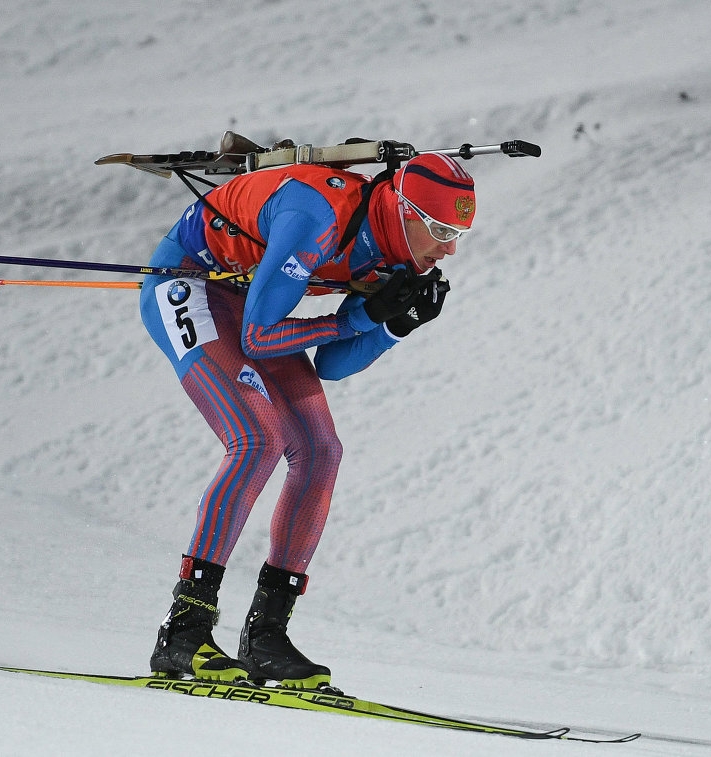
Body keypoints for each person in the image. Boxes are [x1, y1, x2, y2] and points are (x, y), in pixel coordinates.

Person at [138, 151, 476, 690]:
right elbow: (257, 338)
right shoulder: (316, 216)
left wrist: (394, 327)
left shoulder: (398, 250)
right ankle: (183, 629)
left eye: (460, 232)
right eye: (439, 229)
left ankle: (266, 635)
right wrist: (363, 316)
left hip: (252, 301)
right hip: (191, 285)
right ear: (404, 210)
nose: (450, 248)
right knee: (257, 440)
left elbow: (334, 365)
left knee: (321, 452)